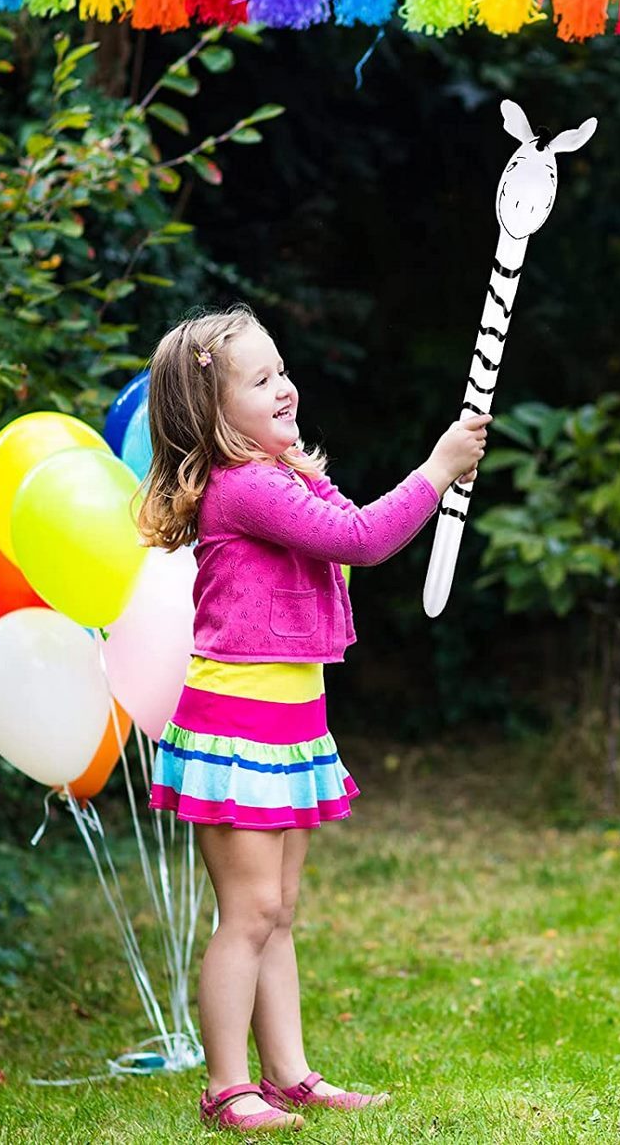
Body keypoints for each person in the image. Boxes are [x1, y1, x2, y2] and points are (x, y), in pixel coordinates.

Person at [139, 306, 488, 1132]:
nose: (285, 388)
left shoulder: (277, 473)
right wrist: (436, 471)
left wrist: (300, 458)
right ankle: (228, 1086)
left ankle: (288, 1073)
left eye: (282, 371)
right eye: (259, 382)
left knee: (279, 911)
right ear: (212, 416)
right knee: (250, 913)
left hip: (288, 722)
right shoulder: (247, 488)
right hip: (239, 728)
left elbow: (337, 518)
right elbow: (361, 539)